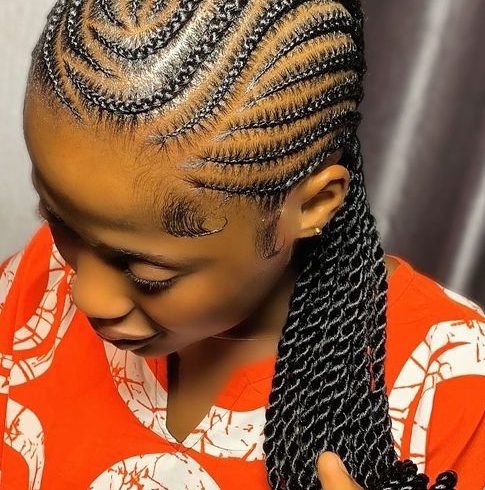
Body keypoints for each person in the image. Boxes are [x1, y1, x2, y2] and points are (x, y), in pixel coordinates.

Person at [0, 0, 483, 488]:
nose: (84, 294)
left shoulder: (454, 385)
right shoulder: (41, 277)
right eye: (57, 218)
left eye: (149, 273)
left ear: (313, 206)